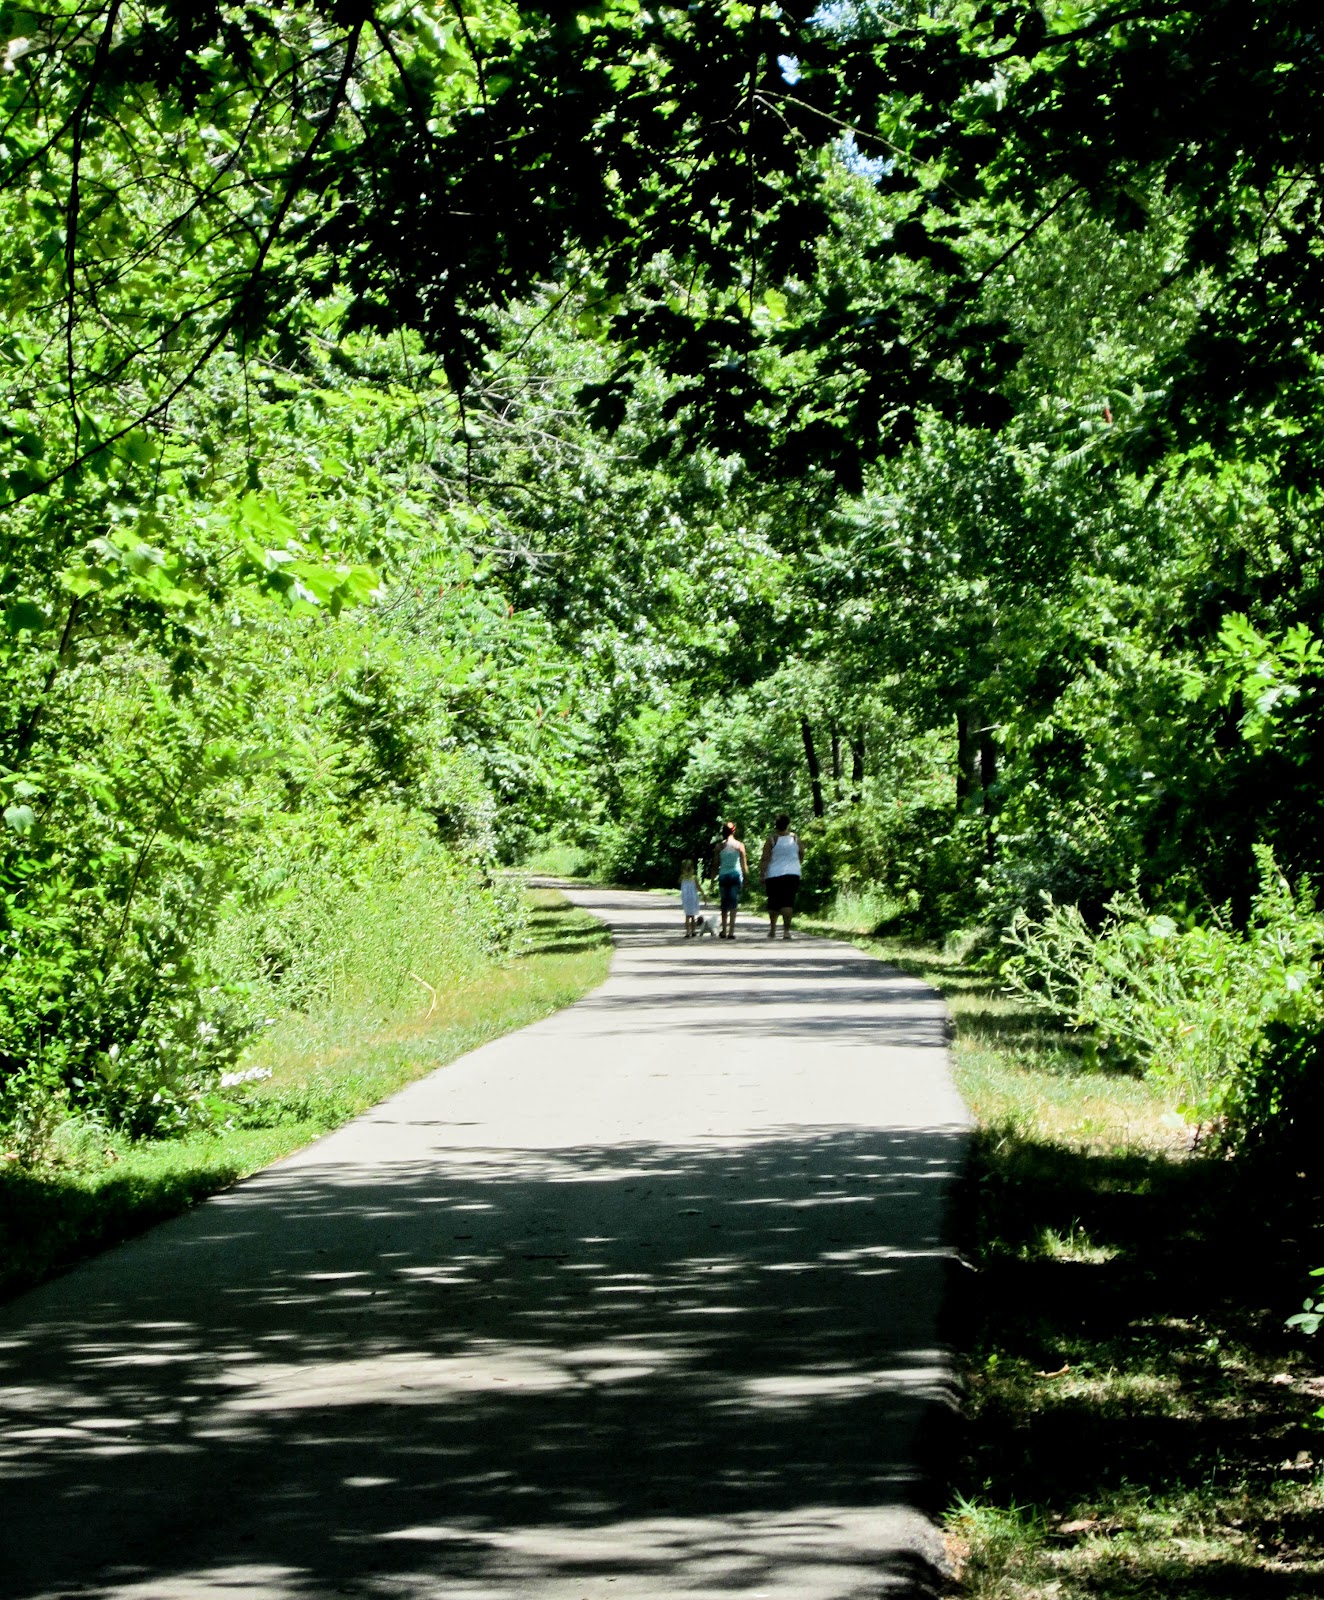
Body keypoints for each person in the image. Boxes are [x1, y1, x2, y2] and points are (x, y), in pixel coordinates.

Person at [760, 813, 804, 940]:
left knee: (773, 902)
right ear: (787, 825)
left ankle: (773, 929)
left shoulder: (771, 840)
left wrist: (762, 874)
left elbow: (765, 859)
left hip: (774, 874)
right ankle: (786, 931)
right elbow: (801, 853)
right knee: (788, 903)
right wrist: (797, 864)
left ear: (776, 825)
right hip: (793, 874)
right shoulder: (795, 838)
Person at [711, 821, 749, 939]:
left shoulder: (719, 846)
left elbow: (715, 864)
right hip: (735, 875)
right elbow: (744, 864)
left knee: (724, 903)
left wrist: (712, 881)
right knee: (733, 903)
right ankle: (731, 931)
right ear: (734, 830)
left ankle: (724, 930)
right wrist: (746, 878)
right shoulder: (739, 845)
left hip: (723, 876)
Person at [680, 863, 701, 938]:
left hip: (685, 898)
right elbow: (698, 887)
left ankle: (687, 932)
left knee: (687, 915)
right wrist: (703, 894)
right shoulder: (694, 877)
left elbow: (680, 883)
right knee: (692, 916)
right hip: (693, 898)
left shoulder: (682, 877)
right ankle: (693, 931)